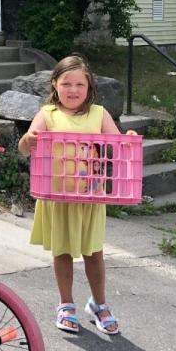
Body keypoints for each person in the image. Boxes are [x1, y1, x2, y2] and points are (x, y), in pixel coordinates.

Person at [17, 54, 131, 336]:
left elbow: (117, 146)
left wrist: (126, 138)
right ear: (54, 84)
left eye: (79, 84)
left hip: (89, 197)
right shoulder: (47, 114)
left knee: (94, 252)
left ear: (89, 86)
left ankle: (99, 304)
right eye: (66, 83)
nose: (73, 90)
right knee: (63, 251)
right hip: (57, 196)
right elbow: (24, 145)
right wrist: (29, 140)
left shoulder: (99, 114)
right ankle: (66, 304)